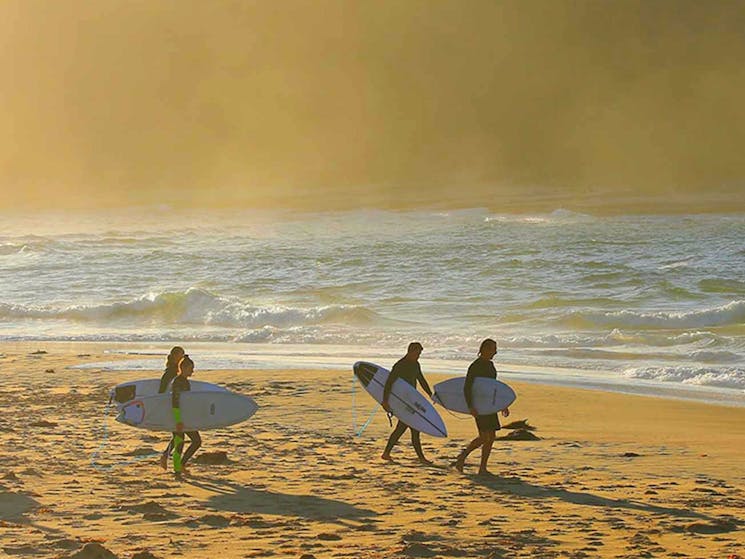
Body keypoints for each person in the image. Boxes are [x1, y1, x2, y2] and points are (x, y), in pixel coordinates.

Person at [453, 338, 510, 476]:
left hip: (489, 406)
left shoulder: (491, 366)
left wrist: (502, 404)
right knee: (484, 437)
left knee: (491, 436)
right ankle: (462, 457)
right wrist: (471, 406)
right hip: (479, 406)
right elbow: (467, 388)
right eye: (493, 349)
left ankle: (482, 467)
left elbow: (494, 388)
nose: (495, 352)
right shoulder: (475, 366)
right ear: (485, 349)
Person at [381, 342, 433, 464]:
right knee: (414, 428)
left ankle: (386, 453)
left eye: (420, 353)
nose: (418, 356)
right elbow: (389, 383)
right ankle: (420, 458)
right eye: (417, 353)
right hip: (402, 401)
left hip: (411, 400)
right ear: (410, 351)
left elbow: (421, 380)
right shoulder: (400, 365)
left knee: (403, 428)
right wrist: (385, 400)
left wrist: (430, 394)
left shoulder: (416, 364)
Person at [170, 355, 201, 476]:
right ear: (183, 368)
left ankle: (180, 466)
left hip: (185, 416)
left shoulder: (185, 382)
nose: (192, 371)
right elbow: (175, 402)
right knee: (180, 442)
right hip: (177, 416)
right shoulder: (178, 382)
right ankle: (178, 468)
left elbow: (187, 402)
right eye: (191, 368)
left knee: (194, 441)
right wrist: (178, 420)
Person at [158, 346, 185, 470]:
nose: (182, 357)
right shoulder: (169, 373)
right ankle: (177, 466)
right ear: (174, 357)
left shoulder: (178, 372)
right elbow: (161, 391)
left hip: (177, 406)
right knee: (179, 436)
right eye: (181, 355)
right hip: (172, 407)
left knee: (178, 436)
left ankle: (167, 458)